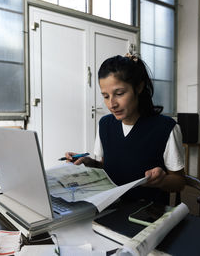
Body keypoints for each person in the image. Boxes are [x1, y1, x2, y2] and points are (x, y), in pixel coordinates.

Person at [65, 53, 185, 204]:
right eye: (106, 96)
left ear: (139, 87)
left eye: (119, 93)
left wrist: (162, 181)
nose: (112, 104)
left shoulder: (166, 128)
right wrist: (90, 163)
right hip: (109, 206)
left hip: (146, 214)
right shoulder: (105, 124)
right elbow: (108, 166)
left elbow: (179, 182)